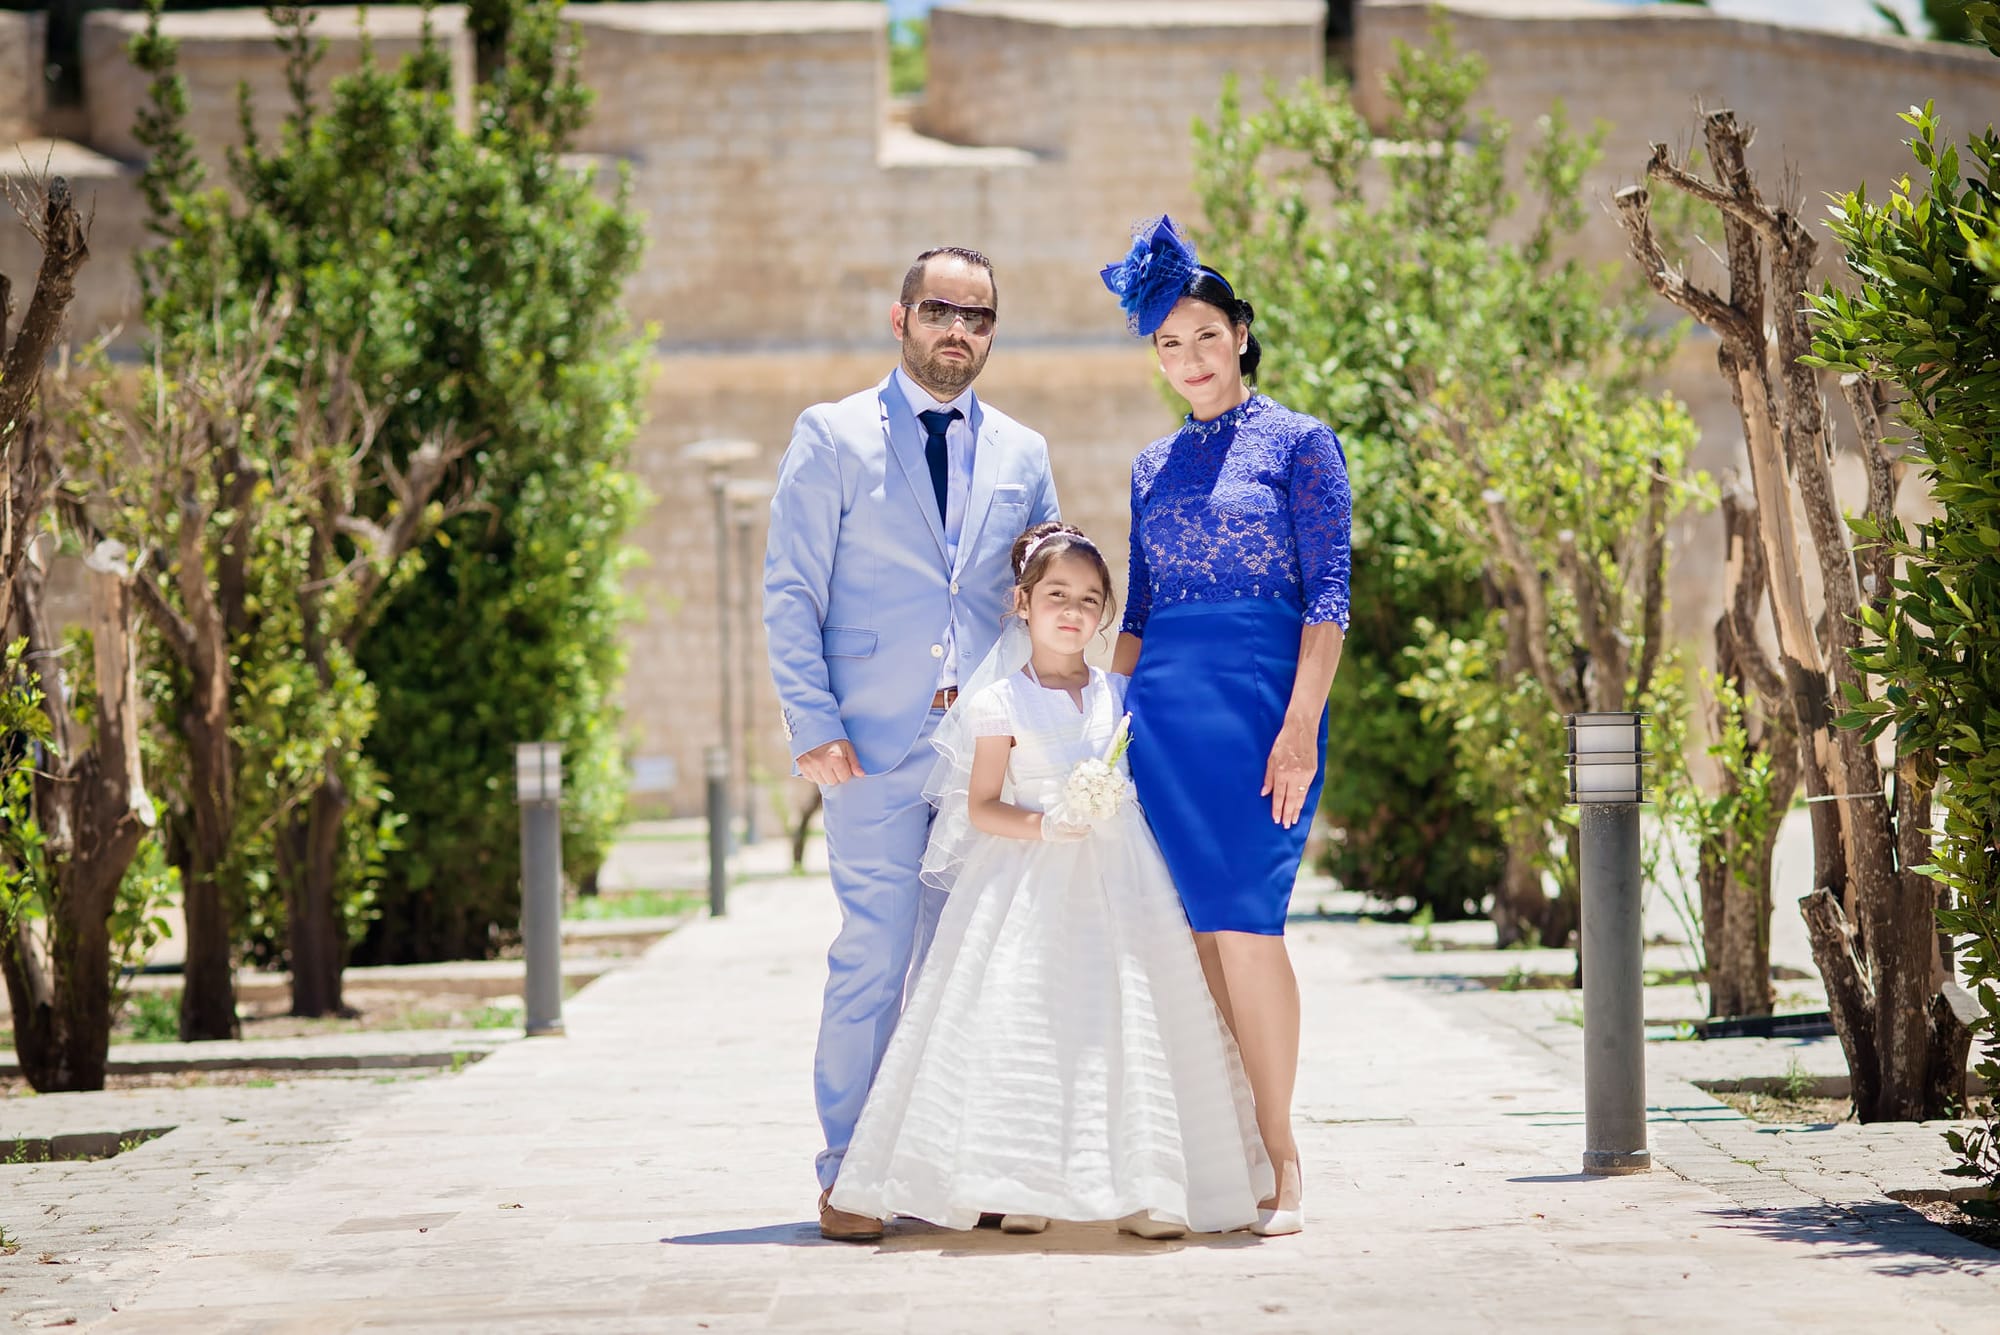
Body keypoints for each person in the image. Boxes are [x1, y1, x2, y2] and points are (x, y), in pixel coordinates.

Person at [829, 523, 1273, 1238]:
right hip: (1028, 881)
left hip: (1123, 880)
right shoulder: (999, 702)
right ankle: (1018, 1182)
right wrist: (1046, 824)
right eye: (1057, 594)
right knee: (1028, 1018)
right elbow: (979, 807)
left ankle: (1147, 1187)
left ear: (1104, 615)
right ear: (1023, 602)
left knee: (1125, 1020)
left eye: (1090, 600)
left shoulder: (1118, 692)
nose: (1073, 611)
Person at [763, 246, 1060, 1242]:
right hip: (871, 749)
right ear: (900, 319)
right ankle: (847, 1171)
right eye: (939, 311)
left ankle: (955, 1164)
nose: (957, 332)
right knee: (873, 956)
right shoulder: (832, 435)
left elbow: (1043, 598)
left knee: (966, 961)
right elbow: (790, 591)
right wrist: (813, 726)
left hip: (979, 753)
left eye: (977, 318)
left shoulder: (1022, 451)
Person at [1099, 216, 1353, 1237]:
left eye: (1204, 335)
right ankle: (1221, 1160)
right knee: (1192, 945)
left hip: (1259, 716)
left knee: (1247, 931)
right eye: (1166, 342)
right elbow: (1137, 615)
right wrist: (1098, 733)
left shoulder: (1301, 445)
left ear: (1240, 333)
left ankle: (1283, 1162)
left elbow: (1326, 600)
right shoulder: (1149, 464)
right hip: (1159, 717)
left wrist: (1299, 730)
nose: (1188, 358)